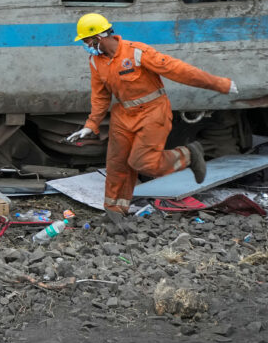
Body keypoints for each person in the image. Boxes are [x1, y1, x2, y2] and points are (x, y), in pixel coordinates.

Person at [66, 13, 237, 221]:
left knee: (143, 162)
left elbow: (178, 70)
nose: (86, 45)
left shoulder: (137, 52)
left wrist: (220, 84)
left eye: (86, 40)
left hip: (152, 111)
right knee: (117, 165)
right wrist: (90, 125)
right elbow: (100, 96)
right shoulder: (95, 61)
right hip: (123, 115)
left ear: (99, 37)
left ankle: (189, 156)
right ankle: (114, 213)